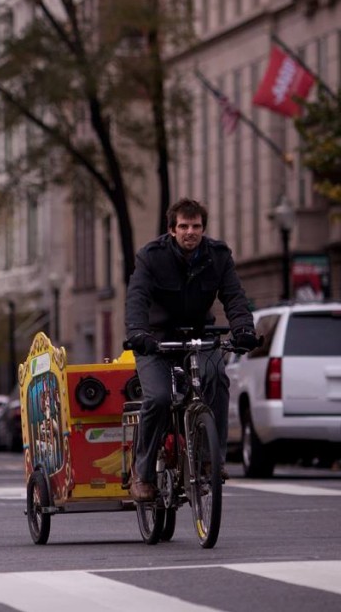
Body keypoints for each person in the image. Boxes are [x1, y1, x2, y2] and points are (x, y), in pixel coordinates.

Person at [124, 197, 258, 502]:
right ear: (172, 229)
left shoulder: (218, 256)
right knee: (157, 398)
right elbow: (137, 298)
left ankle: (212, 460)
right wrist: (138, 333)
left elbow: (234, 297)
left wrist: (244, 329)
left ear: (203, 229)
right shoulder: (151, 256)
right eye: (183, 226)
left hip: (200, 337)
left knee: (215, 377)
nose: (190, 232)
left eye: (196, 226)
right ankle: (142, 473)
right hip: (155, 340)